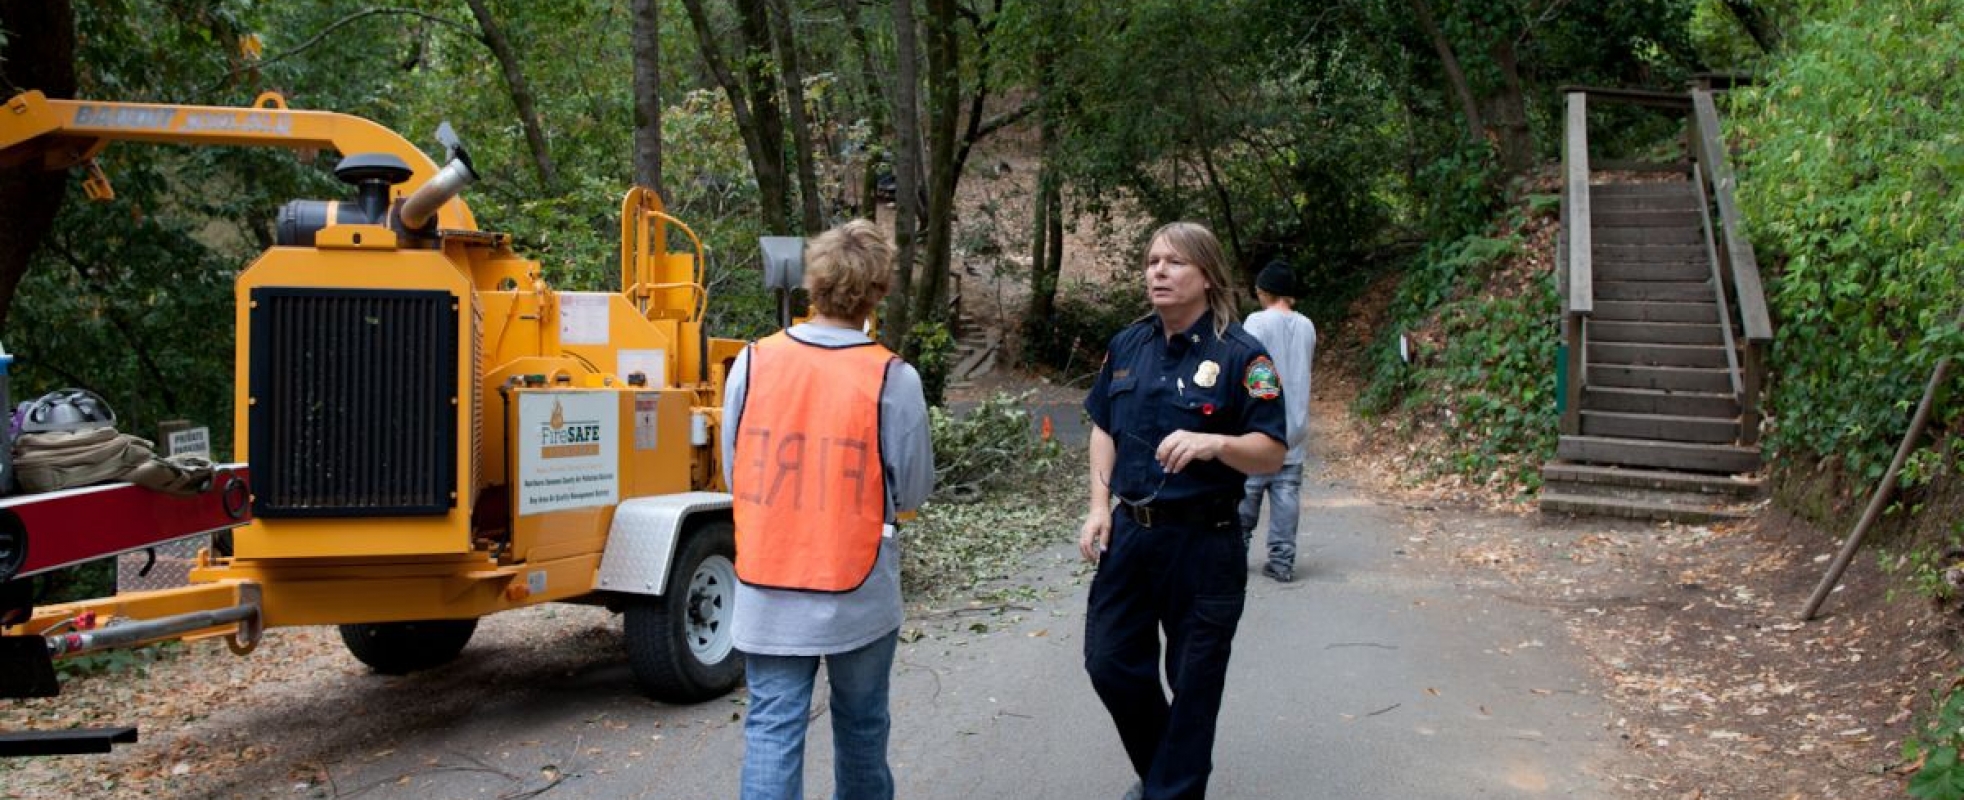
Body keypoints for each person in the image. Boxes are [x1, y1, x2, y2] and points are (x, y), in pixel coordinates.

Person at [723, 218, 935, 800]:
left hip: (768, 584)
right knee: (862, 728)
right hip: (857, 586)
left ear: (812, 280)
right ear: (878, 291)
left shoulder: (753, 362)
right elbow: (913, 490)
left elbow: (736, 473)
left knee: (771, 728)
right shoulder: (894, 377)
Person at [1078, 221, 1287, 800]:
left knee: (1193, 686)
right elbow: (1103, 428)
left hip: (1204, 544)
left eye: (1173, 262)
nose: (1158, 272)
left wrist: (1216, 443)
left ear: (1207, 275)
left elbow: (1272, 451)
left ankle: (1170, 789)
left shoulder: (1244, 356)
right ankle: (1165, 777)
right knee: (1109, 661)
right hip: (1131, 536)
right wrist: (1098, 507)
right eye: (1152, 262)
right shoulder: (1127, 345)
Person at [1237, 260, 1318, 583]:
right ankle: (1282, 561)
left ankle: (1236, 552)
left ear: (1264, 291)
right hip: (1295, 423)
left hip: (1260, 422)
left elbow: (1246, 367)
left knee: (1248, 489)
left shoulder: (1256, 322)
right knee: (1286, 490)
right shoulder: (1307, 325)